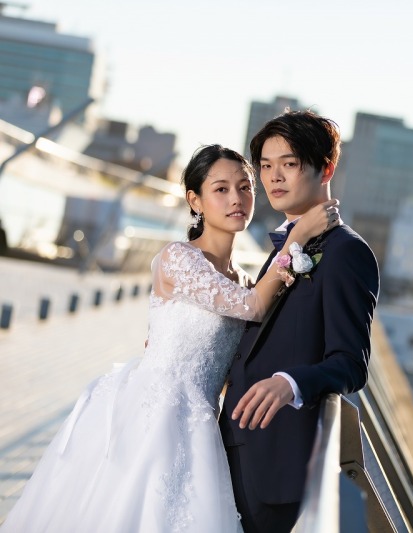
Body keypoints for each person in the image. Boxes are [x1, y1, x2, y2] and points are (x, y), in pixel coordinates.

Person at [0, 144, 339, 533]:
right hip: (149, 415)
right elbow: (253, 307)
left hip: (200, 426)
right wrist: (299, 237)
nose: (236, 198)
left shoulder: (247, 279)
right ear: (195, 200)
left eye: (245, 187)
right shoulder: (179, 258)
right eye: (221, 189)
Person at [219, 110, 380, 533]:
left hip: (277, 459)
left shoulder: (346, 252)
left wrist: (290, 382)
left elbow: (351, 363)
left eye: (288, 164)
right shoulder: (288, 245)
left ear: (326, 168)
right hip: (232, 444)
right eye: (265, 166)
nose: (274, 177)